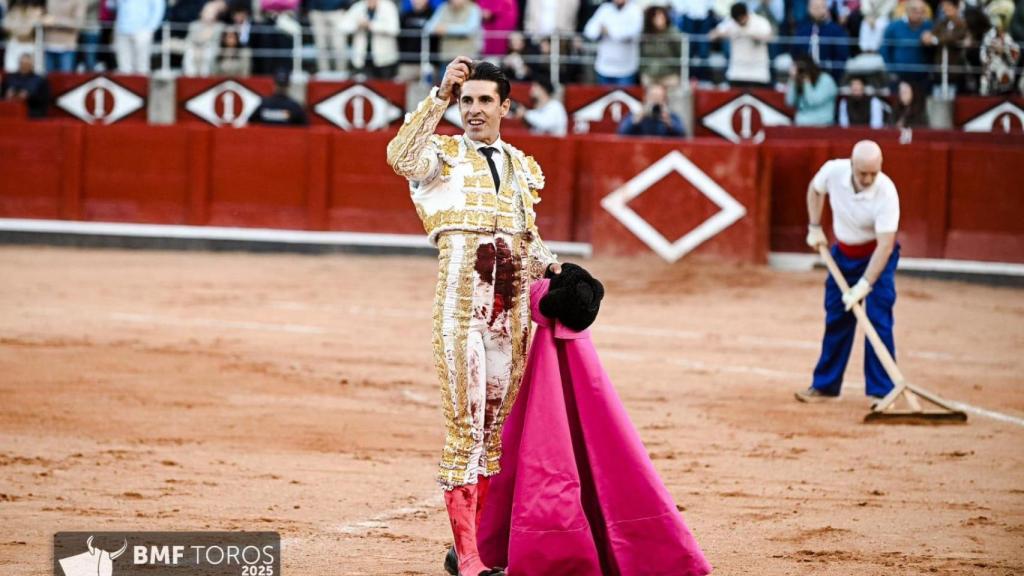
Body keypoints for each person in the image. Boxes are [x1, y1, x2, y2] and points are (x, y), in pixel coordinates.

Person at [386, 57, 560, 576]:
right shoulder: (440, 155)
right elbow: (400, 155)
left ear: (505, 106)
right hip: (462, 315)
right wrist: (439, 95)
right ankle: (469, 560)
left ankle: (474, 547)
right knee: (466, 429)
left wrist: (558, 268)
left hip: (510, 321)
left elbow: (527, 243)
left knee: (494, 434)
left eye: (485, 101)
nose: (475, 110)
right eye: (468, 101)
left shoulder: (522, 167)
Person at [474, 267, 713, 576]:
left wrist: (553, 281)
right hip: (494, 322)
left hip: (490, 325)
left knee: (487, 438)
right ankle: (478, 546)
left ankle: (478, 546)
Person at [796, 140, 901, 403]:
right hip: (842, 256)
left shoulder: (887, 192)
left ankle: (882, 392)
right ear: (851, 165)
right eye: (862, 173)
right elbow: (814, 189)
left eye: (873, 173)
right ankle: (826, 387)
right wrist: (814, 226)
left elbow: (885, 245)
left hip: (877, 258)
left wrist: (865, 285)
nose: (868, 179)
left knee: (878, 321)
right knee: (836, 318)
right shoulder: (834, 171)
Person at [710, 1, 774, 87]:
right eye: (737, 21)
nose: (739, 22)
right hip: (736, 74)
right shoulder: (731, 23)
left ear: (746, 14)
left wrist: (750, 34)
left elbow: (770, 36)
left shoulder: (760, 22)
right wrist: (722, 34)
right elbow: (711, 35)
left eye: (741, 19)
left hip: (758, 75)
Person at [582, 0, 644, 85]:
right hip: (604, 68)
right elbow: (589, 31)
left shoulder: (634, 9)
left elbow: (633, 32)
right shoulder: (605, 8)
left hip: (626, 69)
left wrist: (608, 30)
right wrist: (604, 31)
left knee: (624, 97)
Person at [792, 0, 851, 81]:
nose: (817, 9)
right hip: (805, 76)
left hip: (827, 76)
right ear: (808, 8)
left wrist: (832, 77)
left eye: (820, 6)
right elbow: (795, 53)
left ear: (826, 8)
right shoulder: (802, 30)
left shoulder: (836, 31)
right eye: (814, 6)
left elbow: (841, 57)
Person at [343, 0, 401, 79]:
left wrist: (371, 25)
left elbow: (394, 29)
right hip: (362, 59)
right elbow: (343, 26)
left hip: (384, 61)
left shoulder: (388, 6)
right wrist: (357, 25)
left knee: (384, 88)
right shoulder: (358, 6)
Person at [880, 0, 933, 86]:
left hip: (922, 77)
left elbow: (935, 50)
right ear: (907, 10)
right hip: (898, 76)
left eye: (922, 11)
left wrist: (932, 40)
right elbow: (885, 50)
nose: (919, 14)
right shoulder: (894, 26)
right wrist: (891, 70)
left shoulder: (929, 26)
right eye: (915, 10)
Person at [114, 0, 164, 74]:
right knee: (124, 67)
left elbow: (158, 9)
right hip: (122, 29)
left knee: (142, 66)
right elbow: (112, 6)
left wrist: (150, 29)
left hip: (142, 30)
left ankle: (141, 84)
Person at [786, 53, 838, 125]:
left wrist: (807, 82)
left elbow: (813, 101)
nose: (801, 72)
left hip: (822, 125)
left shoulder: (826, 80)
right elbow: (789, 103)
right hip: (801, 124)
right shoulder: (798, 81)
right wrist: (793, 80)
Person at [618, 82, 686, 136]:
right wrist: (637, 119)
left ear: (665, 100)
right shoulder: (635, 114)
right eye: (653, 97)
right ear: (645, 98)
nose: (655, 101)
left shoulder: (671, 116)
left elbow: (683, 135)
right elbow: (621, 132)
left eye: (659, 98)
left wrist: (669, 123)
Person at [639, 5, 682, 87]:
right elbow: (641, 54)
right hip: (649, 74)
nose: (659, 19)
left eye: (661, 16)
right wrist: (644, 71)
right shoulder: (645, 34)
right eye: (656, 16)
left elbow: (680, 54)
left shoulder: (673, 33)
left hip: (669, 75)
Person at [183, 0, 226, 77]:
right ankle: (190, 76)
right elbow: (189, 40)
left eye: (211, 12)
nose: (209, 15)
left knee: (207, 53)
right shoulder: (194, 25)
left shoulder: (219, 26)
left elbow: (216, 43)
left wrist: (203, 43)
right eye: (207, 12)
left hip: (210, 49)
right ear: (202, 12)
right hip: (195, 49)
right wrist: (201, 41)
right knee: (190, 52)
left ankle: (204, 77)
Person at [2, 52, 49, 117]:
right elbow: (2, 93)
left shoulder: (40, 80)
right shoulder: (10, 77)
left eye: (26, 64)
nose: (24, 66)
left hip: (31, 110)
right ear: (19, 64)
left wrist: (29, 97)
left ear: (31, 65)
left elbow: (45, 100)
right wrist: (7, 94)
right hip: (11, 108)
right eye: (22, 64)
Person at [42, 0, 85, 72]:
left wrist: (56, 21)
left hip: (67, 48)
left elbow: (78, 23)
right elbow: (44, 17)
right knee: (48, 80)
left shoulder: (78, 1)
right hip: (48, 46)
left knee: (65, 80)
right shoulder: (50, 1)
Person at [308, 0, 349, 74]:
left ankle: (341, 72)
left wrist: (346, 7)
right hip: (317, 12)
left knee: (339, 45)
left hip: (338, 11)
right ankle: (323, 72)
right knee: (320, 46)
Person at [2, 0, 44, 73]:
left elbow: (27, 31)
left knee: (34, 72)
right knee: (11, 71)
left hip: (30, 46)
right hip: (15, 45)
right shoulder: (13, 10)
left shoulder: (36, 10)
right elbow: (6, 26)